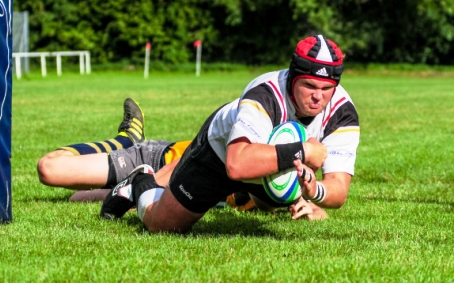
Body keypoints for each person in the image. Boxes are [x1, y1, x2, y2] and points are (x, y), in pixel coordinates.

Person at [100, 34, 360, 232]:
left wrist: (315, 191)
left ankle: (246, 197)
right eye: (309, 86)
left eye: (327, 88)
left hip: (267, 169)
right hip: (221, 153)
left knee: (275, 205)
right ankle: (140, 182)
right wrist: (304, 150)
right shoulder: (266, 93)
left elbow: (339, 189)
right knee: (162, 225)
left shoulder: (342, 113)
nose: (318, 96)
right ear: (293, 77)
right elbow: (237, 164)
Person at [36, 99, 259, 211]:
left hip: (161, 188)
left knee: (77, 197)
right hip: (158, 160)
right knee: (50, 169)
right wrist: (147, 186)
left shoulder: (280, 188)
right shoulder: (256, 133)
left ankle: (131, 182)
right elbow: (190, 161)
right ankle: (127, 140)